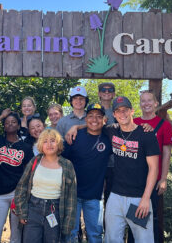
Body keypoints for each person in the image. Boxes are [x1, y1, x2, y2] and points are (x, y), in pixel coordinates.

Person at [66, 96, 160, 243]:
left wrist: (146, 199)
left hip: (138, 198)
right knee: (112, 238)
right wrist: (76, 127)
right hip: (115, 197)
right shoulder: (111, 131)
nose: (122, 114)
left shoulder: (146, 135)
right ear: (114, 115)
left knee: (144, 239)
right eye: (118, 111)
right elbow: (94, 124)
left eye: (125, 110)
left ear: (132, 111)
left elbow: (154, 168)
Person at [14, 129, 77, 243]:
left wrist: (68, 222)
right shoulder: (35, 161)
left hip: (55, 210)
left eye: (52, 141)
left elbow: (71, 197)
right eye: (45, 141)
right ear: (40, 145)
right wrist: (22, 211)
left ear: (58, 144)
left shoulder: (67, 165)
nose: (49, 144)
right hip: (33, 208)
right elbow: (22, 186)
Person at [63, 103, 112, 243]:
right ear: (85, 119)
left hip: (94, 196)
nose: (94, 119)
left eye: (98, 116)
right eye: (90, 116)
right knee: (71, 234)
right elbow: (61, 162)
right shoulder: (74, 136)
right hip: (72, 195)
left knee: (95, 235)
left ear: (104, 119)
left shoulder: (108, 138)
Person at [0, 109, 34, 243]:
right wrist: (2, 116)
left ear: (19, 125)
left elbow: (29, 171)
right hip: (0, 193)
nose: (10, 124)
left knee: (16, 232)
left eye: (13, 122)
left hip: (16, 194)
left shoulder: (25, 147)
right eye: (7, 123)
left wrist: (24, 193)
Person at [133, 90, 172, 243]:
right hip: (134, 181)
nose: (146, 103)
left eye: (150, 100)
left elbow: (167, 153)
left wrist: (163, 178)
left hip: (154, 180)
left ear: (156, 103)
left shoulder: (164, 125)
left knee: (152, 219)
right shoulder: (133, 122)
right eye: (143, 101)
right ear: (140, 104)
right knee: (133, 219)